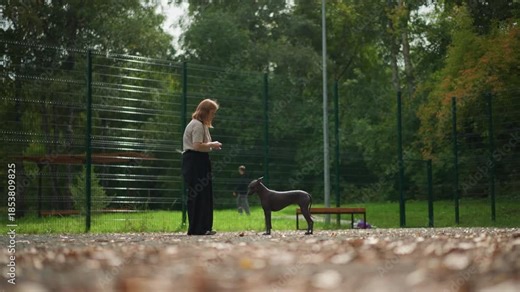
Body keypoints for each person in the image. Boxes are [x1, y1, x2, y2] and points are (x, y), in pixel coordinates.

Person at [182, 99, 222, 235]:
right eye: (212, 112)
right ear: (206, 112)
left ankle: (204, 227)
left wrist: (211, 146)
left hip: (200, 160)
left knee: (204, 194)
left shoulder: (202, 125)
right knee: (198, 194)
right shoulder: (197, 125)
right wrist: (212, 144)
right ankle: (197, 228)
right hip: (195, 161)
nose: (213, 116)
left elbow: (202, 145)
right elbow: (197, 145)